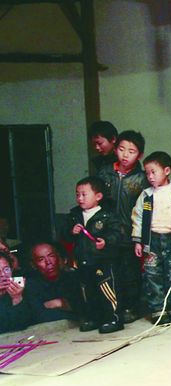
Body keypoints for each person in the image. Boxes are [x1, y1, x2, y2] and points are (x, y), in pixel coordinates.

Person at [97, 129, 149, 323]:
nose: (125, 155)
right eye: (121, 149)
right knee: (110, 272)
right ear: (115, 149)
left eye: (131, 151)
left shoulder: (142, 178)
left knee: (130, 273)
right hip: (107, 233)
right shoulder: (105, 173)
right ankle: (112, 308)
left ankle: (131, 307)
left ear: (139, 155)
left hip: (129, 233)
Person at [64, 176, 123, 334]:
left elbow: (117, 234)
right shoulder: (74, 215)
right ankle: (94, 318)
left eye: (84, 194)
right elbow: (64, 235)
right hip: (83, 261)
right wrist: (71, 231)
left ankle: (113, 318)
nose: (80, 198)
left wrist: (106, 241)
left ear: (98, 196)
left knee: (107, 291)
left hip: (102, 261)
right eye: (77, 194)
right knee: (88, 292)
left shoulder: (107, 215)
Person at [131, 151, 171, 324]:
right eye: (147, 173)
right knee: (153, 275)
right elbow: (138, 217)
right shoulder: (146, 195)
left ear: (167, 171)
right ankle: (158, 310)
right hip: (152, 240)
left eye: (154, 172)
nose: (150, 177)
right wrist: (138, 241)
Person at [24, 242, 82, 325]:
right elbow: (38, 316)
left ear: (58, 257)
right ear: (33, 265)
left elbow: (84, 309)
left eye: (51, 256)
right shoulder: (31, 286)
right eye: (41, 259)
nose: (48, 262)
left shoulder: (73, 278)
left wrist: (59, 303)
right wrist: (68, 307)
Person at [0, 250, 30, 334]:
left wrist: (17, 298)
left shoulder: (22, 288)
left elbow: (22, 325)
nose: (3, 274)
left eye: (6, 269)